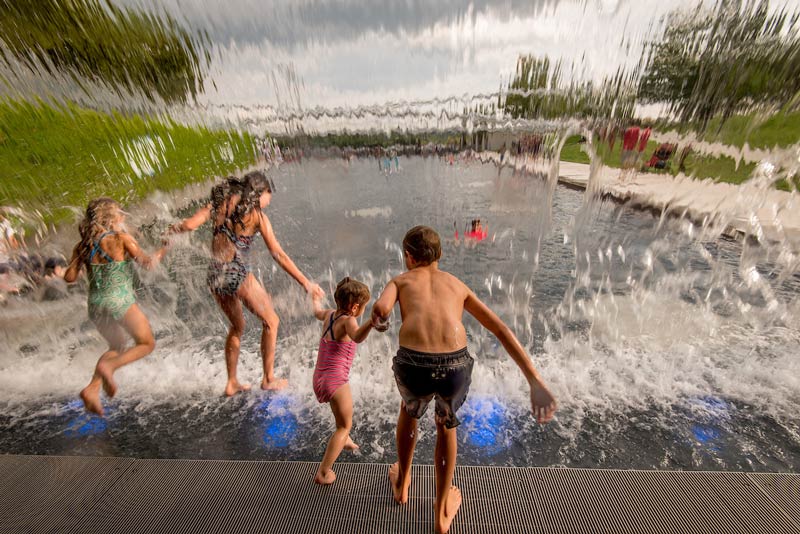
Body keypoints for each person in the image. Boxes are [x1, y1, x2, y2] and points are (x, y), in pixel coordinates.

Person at [371, 225, 557, 534]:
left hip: (413, 364)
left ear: (408, 257)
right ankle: (442, 511)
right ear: (439, 255)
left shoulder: (400, 281)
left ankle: (402, 484)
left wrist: (381, 315)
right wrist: (534, 380)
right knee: (446, 425)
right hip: (454, 364)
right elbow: (500, 329)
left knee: (409, 410)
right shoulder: (458, 285)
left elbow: (382, 306)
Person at [166, 171, 323, 396]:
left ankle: (231, 382)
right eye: (269, 195)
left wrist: (170, 231)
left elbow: (190, 225)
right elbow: (278, 254)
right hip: (237, 274)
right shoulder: (258, 217)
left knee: (237, 326)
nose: (269, 201)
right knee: (271, 321)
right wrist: (306, 284)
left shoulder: (219, 204)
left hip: (215, 275)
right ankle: (268, 378)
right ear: (259, 193)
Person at [64, 197, 166, 416]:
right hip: (119, 300)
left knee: (117, 345)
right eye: (120, 214)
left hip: (96, 305)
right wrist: (164, 249)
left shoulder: (82, 246)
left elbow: (69, 277)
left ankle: (91, 389)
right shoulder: (121, 239)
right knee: (146, 343)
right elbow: (148, 264)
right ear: (111, 219)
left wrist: (84, 262)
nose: (123, 218)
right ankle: (109, 368)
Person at [311, 277, 375, 485]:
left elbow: (316, 312)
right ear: (355, 307)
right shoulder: (349, 321)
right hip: (335, 380)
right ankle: (323, 472)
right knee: (345, 425)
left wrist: (315, 299)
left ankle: (344, 440)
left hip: (319, 376)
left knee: (341, 420)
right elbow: (356, 336)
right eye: (364, 307)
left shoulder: (329, 314)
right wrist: (372, 322)